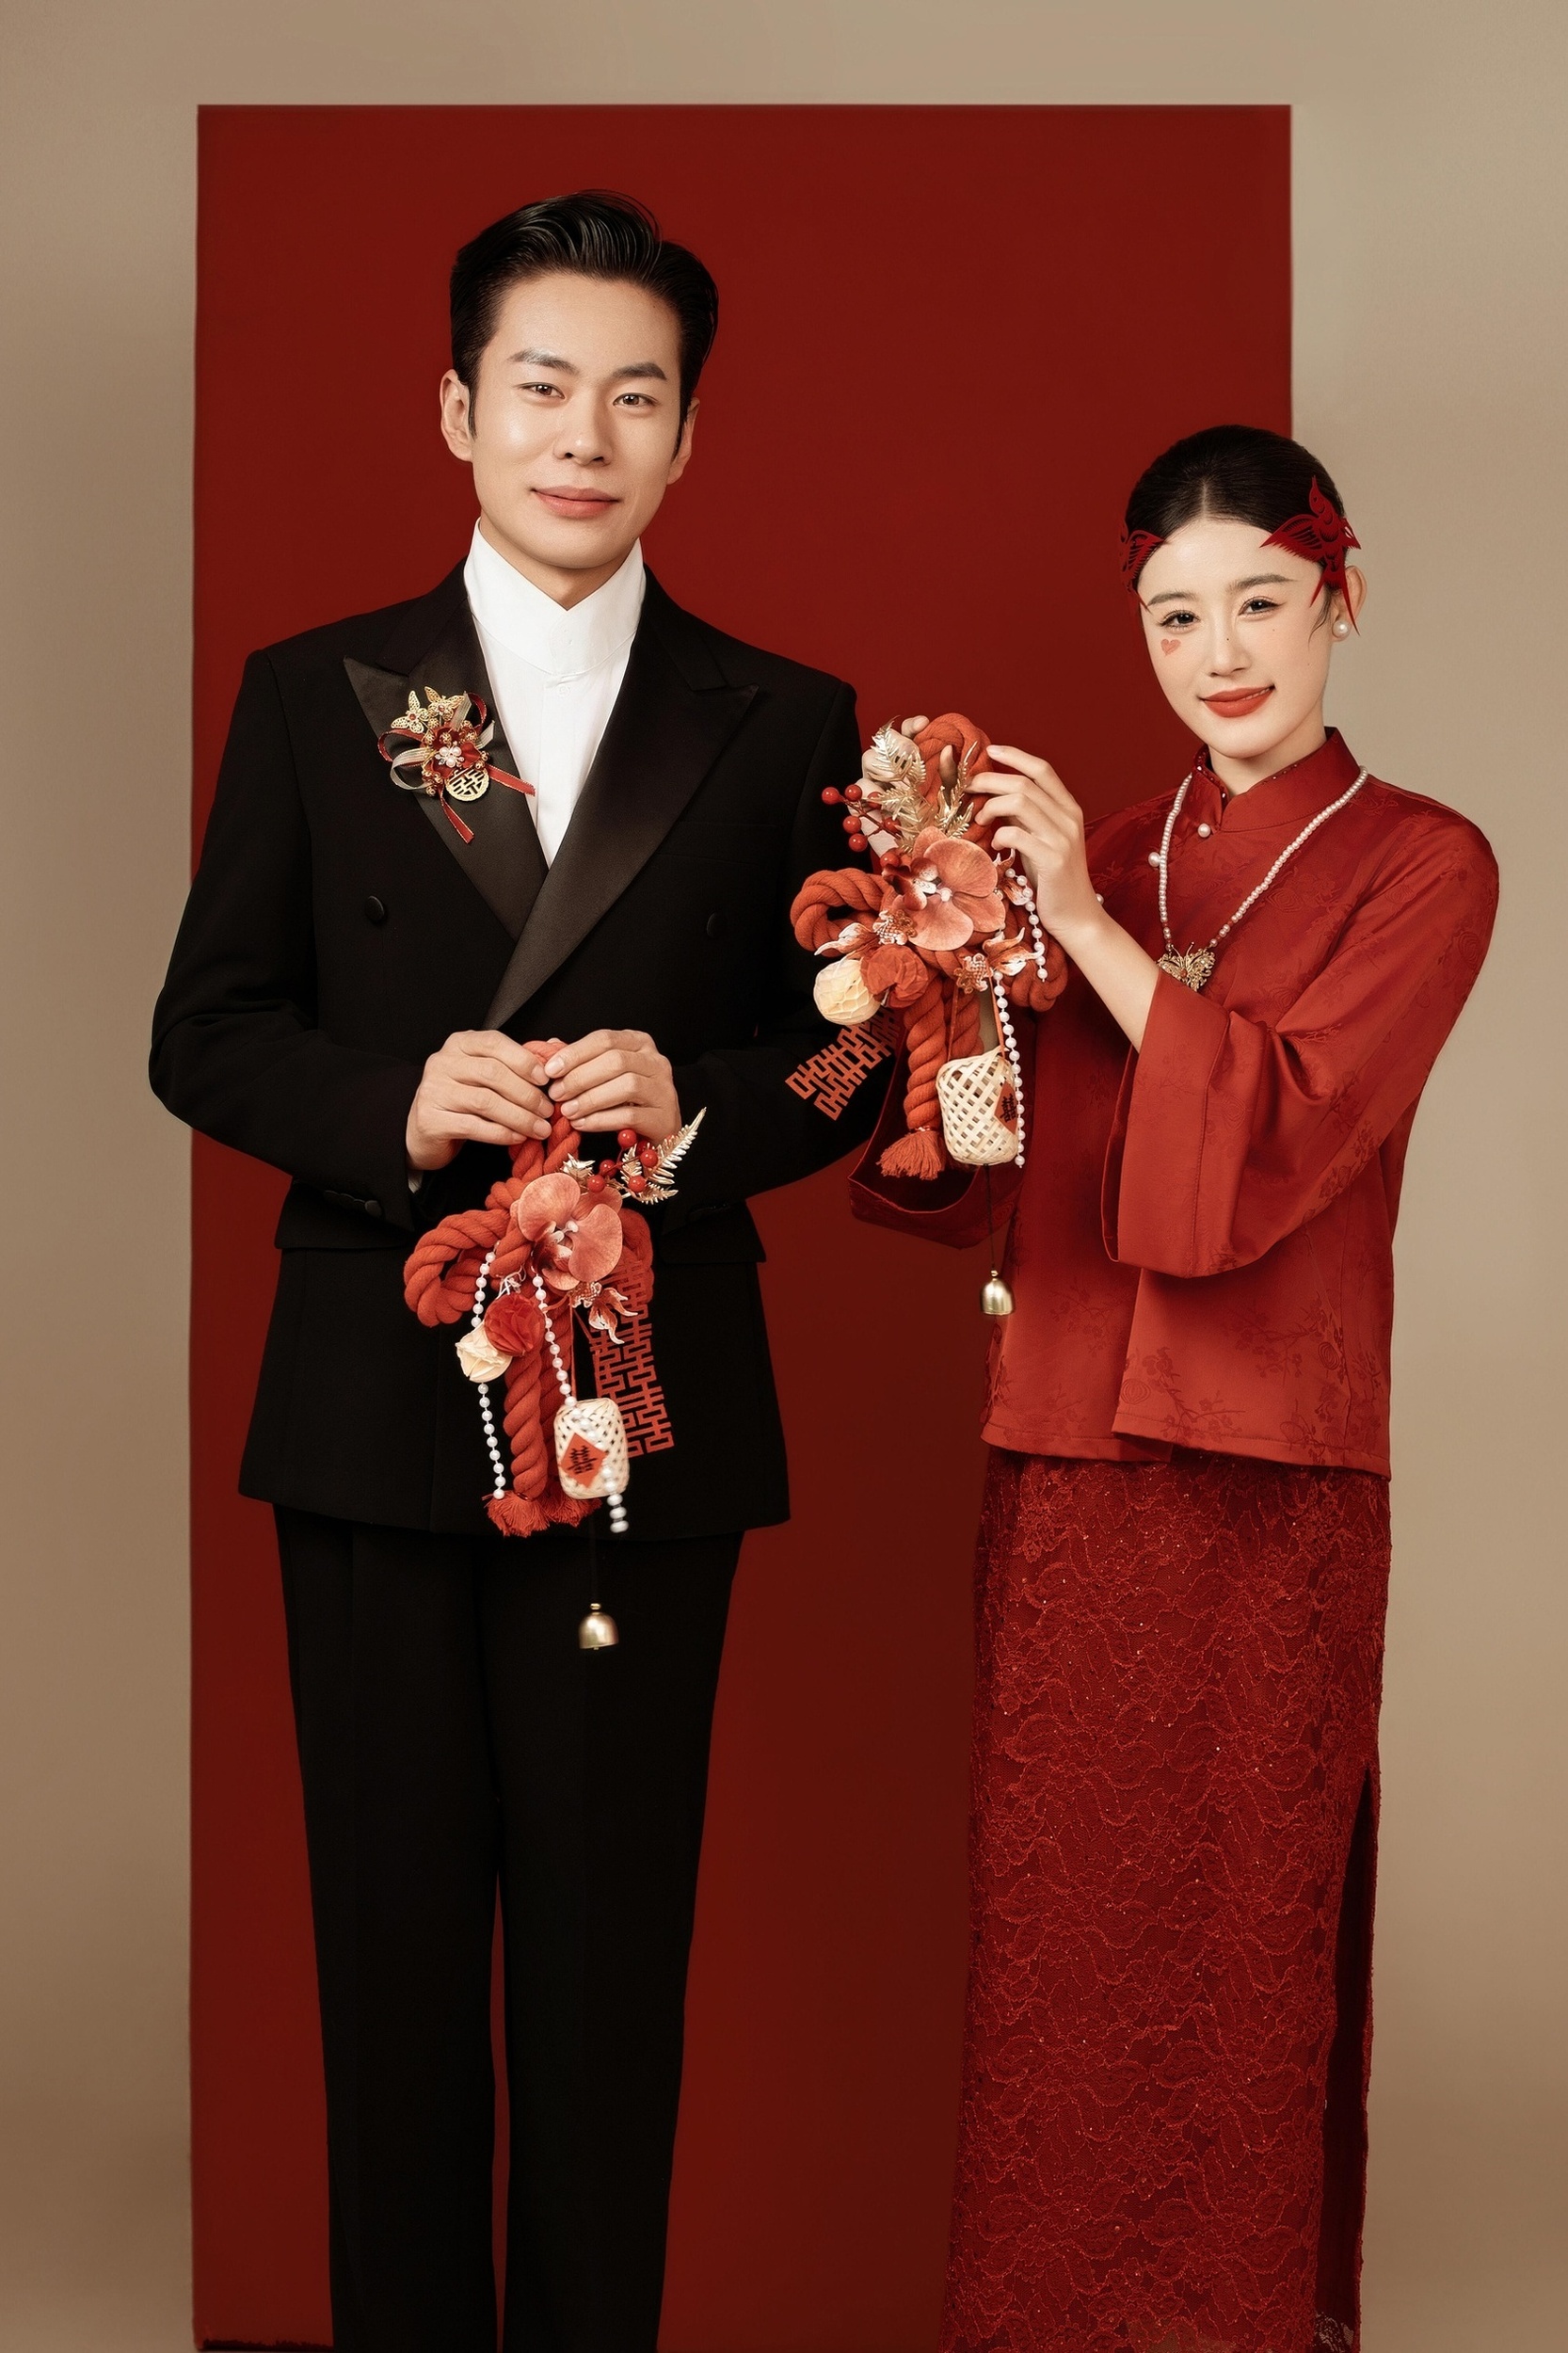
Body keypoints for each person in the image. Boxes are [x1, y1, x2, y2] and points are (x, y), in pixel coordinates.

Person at [151, 191, 887, 2353]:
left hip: (640, 1414)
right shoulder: (326, 695)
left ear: (688, 437)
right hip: (379, 1397)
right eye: (542, 385)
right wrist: (391, 1105)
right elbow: (206, 1029)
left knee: (605, 1969)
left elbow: (848, 1055)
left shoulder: (777, 713)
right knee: (389, 1974)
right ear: (458, 409)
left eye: (634, 395)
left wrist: (695, 1105)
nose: (585, 434)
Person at [855, 424, 1498, 2353]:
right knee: (1058, 1951)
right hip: (1064, 1457)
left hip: (1268, 1478)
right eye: (1171, 617)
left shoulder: (1424, 861)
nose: (1219, 653)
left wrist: (1081, 930)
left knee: (1233, 1956)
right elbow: (978, 1159)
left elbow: (1281, 1132)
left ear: (1339, 600)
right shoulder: (1097, 848)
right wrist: (927, 961)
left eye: (1259, 604)